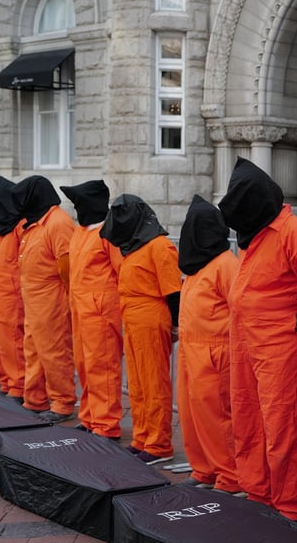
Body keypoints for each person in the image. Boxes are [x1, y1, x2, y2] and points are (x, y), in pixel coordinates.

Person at [218, 157, 297, 527]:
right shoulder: (257, 232)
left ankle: (290, 504)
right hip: (248, 339)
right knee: (248, 417)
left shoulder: (294, 232)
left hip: (280, 345)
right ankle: (259, 490)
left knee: (282, 424)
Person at [101, 194, 182, 465]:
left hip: (150, 316)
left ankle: (159, 443)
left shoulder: (160, 246)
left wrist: (175, 323)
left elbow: (173, 291)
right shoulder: (135, 246)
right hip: (134, 318)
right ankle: (142, 437)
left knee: (154, 382)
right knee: (137, 383)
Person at [176, 194, 242, 495]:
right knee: (192, 414)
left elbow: (239, 309)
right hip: (192, 348)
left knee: (218, 416)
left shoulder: (225, 263)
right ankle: (203, 468)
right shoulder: (197, 265)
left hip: (216, 350)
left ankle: (230, 475)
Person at [60, 180, 124, 441]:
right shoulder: (81, 231)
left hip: (100, 309)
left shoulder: (108, 233)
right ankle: (90, 416)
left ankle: (106, 422)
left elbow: (121, 270)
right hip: (81, 307)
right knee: (85, 364)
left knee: (103, 366)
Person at [11, 175, 77, 423]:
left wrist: (66, 300)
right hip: (35, 299)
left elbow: (67, 267)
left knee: (54, 351)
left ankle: (62, 402)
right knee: (34, 350)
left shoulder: (58, 222)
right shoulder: (35, 222)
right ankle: (35, 399)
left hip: (52, 300)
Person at [0, 175, 26, 403]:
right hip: (0, 289)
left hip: (12, 292)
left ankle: (18, 385)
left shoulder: (19, 227)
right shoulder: (3, 229)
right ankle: (8, 381)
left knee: (13, 340)